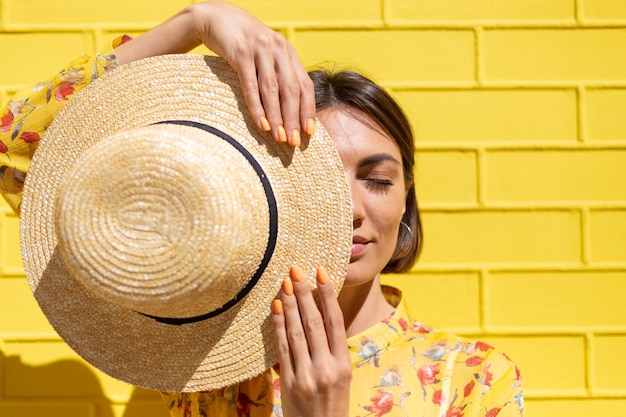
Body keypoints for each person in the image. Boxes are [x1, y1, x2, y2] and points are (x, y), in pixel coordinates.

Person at [0, 1, 524, 416]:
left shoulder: (471, 379)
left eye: (378, 180)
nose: (352, 211)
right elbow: (14, 151)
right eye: (315, 180)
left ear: (407, 196)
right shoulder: (207, 357)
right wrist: (193, 22)